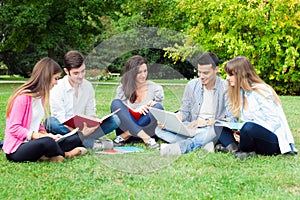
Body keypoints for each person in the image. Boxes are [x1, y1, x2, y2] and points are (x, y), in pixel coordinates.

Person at [2, 57, 97, 162]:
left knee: (77, 137)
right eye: (55, 78)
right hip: (18, 148)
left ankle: (47, 155)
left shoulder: (40, 97)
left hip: (34, 142)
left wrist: (46, 134)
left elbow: (36, 124)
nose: (57, 83)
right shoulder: (23, 98)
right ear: (46, 77)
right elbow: (14, 128)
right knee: (47, 142)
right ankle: (66, 154)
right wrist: (38, 136)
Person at [216, 56, 297, 160]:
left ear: (242, 74)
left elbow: (274, 122)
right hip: (251, 136)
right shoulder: (241, 93)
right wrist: (239, 133)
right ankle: (236, 151)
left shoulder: (261, 91)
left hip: (272, 140)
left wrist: (246, 133)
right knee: (219, 125)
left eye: (231, 75)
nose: (227, 78)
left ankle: (232, 148)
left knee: (249, 127)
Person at [156, 52, 236, 156]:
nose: (201, 76)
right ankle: (207, 144)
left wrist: (205, 122)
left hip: (212, 129)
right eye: (199, 72)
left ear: (216, 70)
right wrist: (172, 120)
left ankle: (181, 147)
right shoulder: (192, 85)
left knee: (211, 132)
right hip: (192, 127)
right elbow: (184, 111)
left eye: (205, 73)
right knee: (159, 130)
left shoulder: (226, 88)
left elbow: (232, 120)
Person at [45, 50, 120, 150]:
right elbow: (60, 119)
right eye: (76, 73)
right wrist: (80, 133)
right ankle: (89, 143)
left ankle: (79, 141)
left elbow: (91, 112)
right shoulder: (58, 88)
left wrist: (93, 124)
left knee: (114, 120)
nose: (80, 76)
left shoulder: (88, 86)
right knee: (50, 122)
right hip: (66, 130)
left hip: (86, 129)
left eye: (83, 71)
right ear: (67, 71)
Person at [110, 55, 164, 148]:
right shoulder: (123, 89)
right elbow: (119, 113)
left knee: (158, 107)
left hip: (145, 130)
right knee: (115, 103)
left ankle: (127, 134)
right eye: (139, 72)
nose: (143, 75)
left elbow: (159, 116)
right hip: (126, 127)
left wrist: (154, 105)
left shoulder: (156, 89)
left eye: (145, 71)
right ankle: (143, 137)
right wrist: (135, 111)